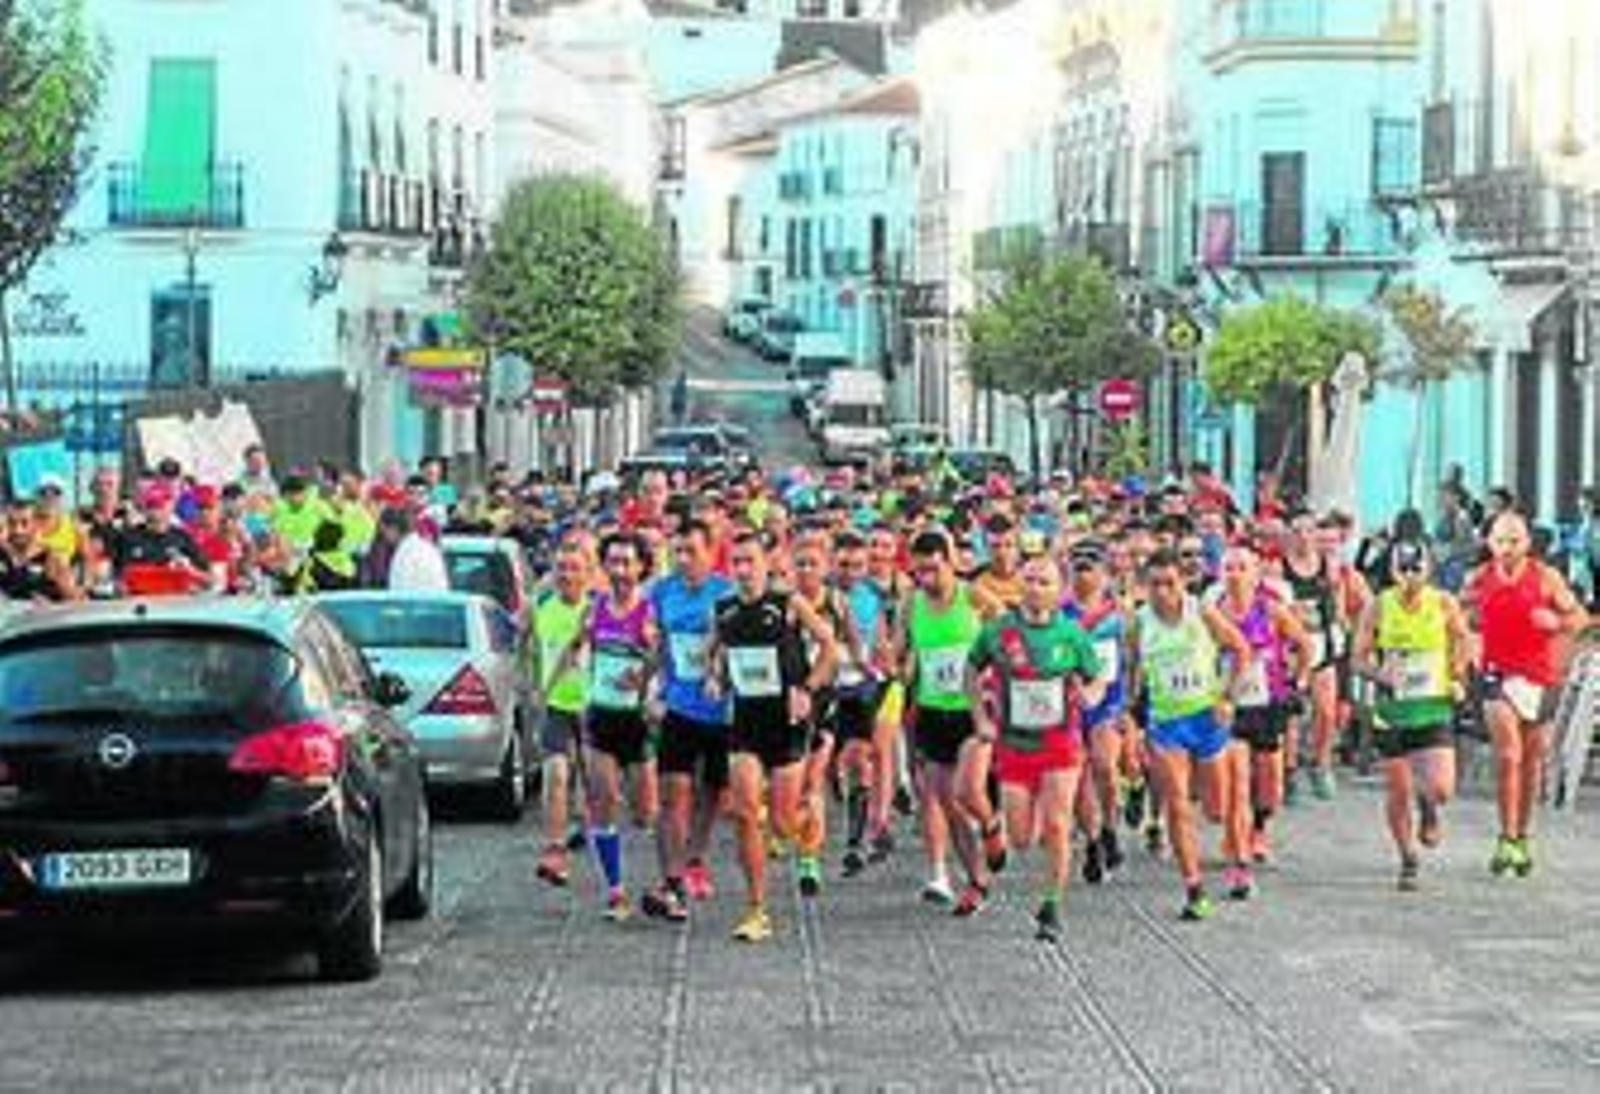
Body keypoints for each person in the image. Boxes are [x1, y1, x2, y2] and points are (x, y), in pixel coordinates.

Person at [704, 530, 836, 943]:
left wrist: (808, 689)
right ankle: (756, 908)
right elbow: (714, 653)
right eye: (736, 562)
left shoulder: (788, 604)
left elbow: (830, 646)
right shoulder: (723, 609)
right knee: (744, 813)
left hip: (786, 723)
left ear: (766, 565)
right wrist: (714, 678)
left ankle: (808, 826)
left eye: (751, 562)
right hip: (745, 722)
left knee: (781, 824)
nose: (743, 570)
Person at [968, 549, 1103, 943]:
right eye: (1029, 579)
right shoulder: (998, 631)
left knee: (1058, 824)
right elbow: (971, 669)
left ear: (1060, 590)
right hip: (1014, 743)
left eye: (1045, 581)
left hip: (1061, 742)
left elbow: (1096, 677)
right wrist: (980, 716)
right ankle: (998, 830)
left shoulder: (1072, 634)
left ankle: (1051, 904)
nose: (1035, 588)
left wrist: (1091, 695)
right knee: (1022, 837)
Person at [1462, 512, 1589, 877]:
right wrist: (1466, 637)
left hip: (1540, 677)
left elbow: (1581, 620)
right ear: (1489, 543)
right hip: (1496, 675)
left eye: (1514, 541)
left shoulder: (1547, 578)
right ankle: (1505, 836)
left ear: (1528, 543)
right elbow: (1458, 618)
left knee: (1533, 761)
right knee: (1508, 755)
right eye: (1500, 541)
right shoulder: (1477, 579)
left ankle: (1521, 837)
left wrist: (1557, 622)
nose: (1507, 548)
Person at [1130, 548, 1252, 920]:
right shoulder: (1138, 622)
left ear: (1183, 582)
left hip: (1206, 718)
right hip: (1167, 723)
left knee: (1216, 809)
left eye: (1170, 583)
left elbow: (1240, 650)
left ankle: (1237, 854)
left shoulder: (1202, 612)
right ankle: (1194, 888)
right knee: (1177, 805)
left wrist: (1228, 698)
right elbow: (1132, 668)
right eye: (1155, 585)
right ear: (1144, 586)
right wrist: (1130, 716)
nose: (1162, 592)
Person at [1351, 542, 1472, 890]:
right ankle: (1407, 858)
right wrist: (1380, 674)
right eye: (1402, 569)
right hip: (1392, 710)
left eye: (1416, 569)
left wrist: (1457, 676)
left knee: (1442, 788)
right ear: (1392, 571)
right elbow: (1357, 658)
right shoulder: (1378, 606)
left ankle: (1429, 806)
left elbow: (1463, 641)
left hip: (1432, 706)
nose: (1409, 577)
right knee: (1398, 788)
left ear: (1428, 570)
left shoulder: (1443, 603)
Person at [902, 528, 1004, 914]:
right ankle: (977, 881)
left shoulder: (973, 596)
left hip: (972, 711)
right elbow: (901, 648)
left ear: (950, 563)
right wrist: (891, 660)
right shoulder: (911, 604)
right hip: (932, 711)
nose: (927, 579)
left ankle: (991, 826)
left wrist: (994, 676)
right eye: (919, 572)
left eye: (933, 570)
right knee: (947, 803)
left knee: (967, 790)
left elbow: (1008, 632)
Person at [642, 519, 735, 920]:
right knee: (672, 796)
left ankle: (694, 855)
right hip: (678, 707)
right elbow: (657, 642)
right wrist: (652, 688)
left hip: (721, 711)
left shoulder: (726, 592)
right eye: (676, 552)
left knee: (712, 793)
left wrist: (718, 671)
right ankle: (671, 882)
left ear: (711, 552)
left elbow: (735, 643)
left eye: (691, 551)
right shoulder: (662, 591)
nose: (683, 560)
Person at [1210, 543, 1311, 871]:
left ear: (1256, 575)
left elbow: (1304, 645)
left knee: (1270, 785)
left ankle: (1258, 828)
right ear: (1220, 574)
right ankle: (1236, 842)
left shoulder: (1272, 611)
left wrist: (1299, 679)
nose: (1235, 575)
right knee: (1237, 779)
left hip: (1267, 704)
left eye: (1242, 568)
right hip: (1230, 706)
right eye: (1229, 568)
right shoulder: (1212, 614)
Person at [577, 533, 658, 921]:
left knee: (645, 813)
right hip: (602, 715)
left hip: (637, 721)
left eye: (627, 563)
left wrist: (643, 676)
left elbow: (663, 659)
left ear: (642, 567)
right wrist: (580, 695)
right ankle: (615, 890)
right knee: (603, 800)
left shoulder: (649, 611)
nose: (620, 571)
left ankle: (665, 879)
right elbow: (582, 652)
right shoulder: (594, 609)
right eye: (613, 562)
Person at [1061, 538, 1132, 885]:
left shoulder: (1120, 612)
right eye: (1078, 567)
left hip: (1109, 701)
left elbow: (1132, 659)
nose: (1084, 573)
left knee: (1104, 765)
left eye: (1090, 566)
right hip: (1072, 702)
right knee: (1080, 776)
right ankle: (1091, 841)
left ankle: (1109, 827)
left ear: (1104, 571)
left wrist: (1130, 705)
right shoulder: (1059, 612)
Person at [532, 542, 592, 890]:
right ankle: (555, 850)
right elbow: (522, 641)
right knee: (556, 773)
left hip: (591, 705)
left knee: (591, 784)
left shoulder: (596, 610)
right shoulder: (541, 604)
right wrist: (533, 686)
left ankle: (585, 826)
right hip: (555, 704)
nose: (566, 575)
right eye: (561, 568)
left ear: (588, 574)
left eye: (574, 568)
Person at [380, 506, 450, 592]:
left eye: (384, 531)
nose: (385, 537)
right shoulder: (429, 548)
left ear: (393, 528)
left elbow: (400, 592)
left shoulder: (404, 556)